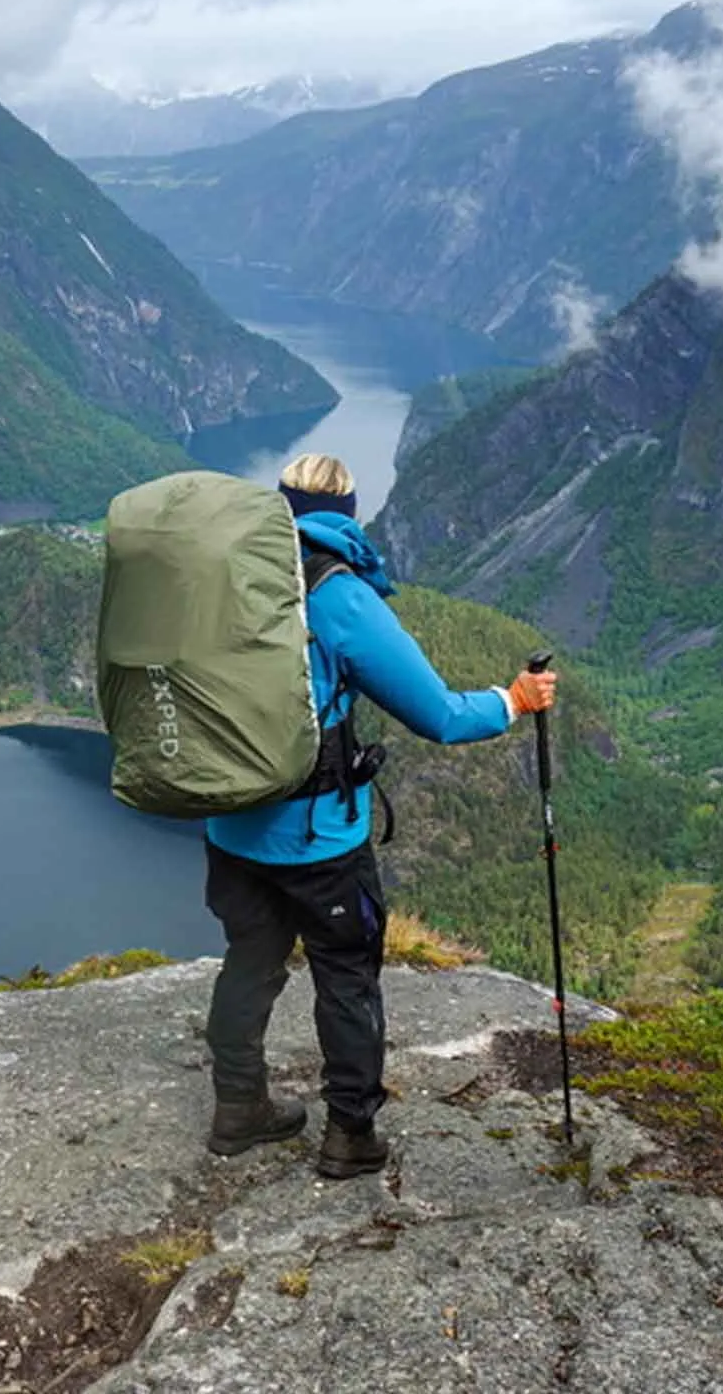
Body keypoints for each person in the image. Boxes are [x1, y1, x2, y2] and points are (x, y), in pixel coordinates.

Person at [202, 453, 557, 1179]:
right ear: (348, 513)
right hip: (317, 840)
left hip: (230, 827)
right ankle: (349, 1134)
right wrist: (514, 701)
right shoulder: (336, 594)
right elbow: (439, 715)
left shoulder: (224, 570)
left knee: (249, 962)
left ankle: (239, 1107)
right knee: (347, 977)